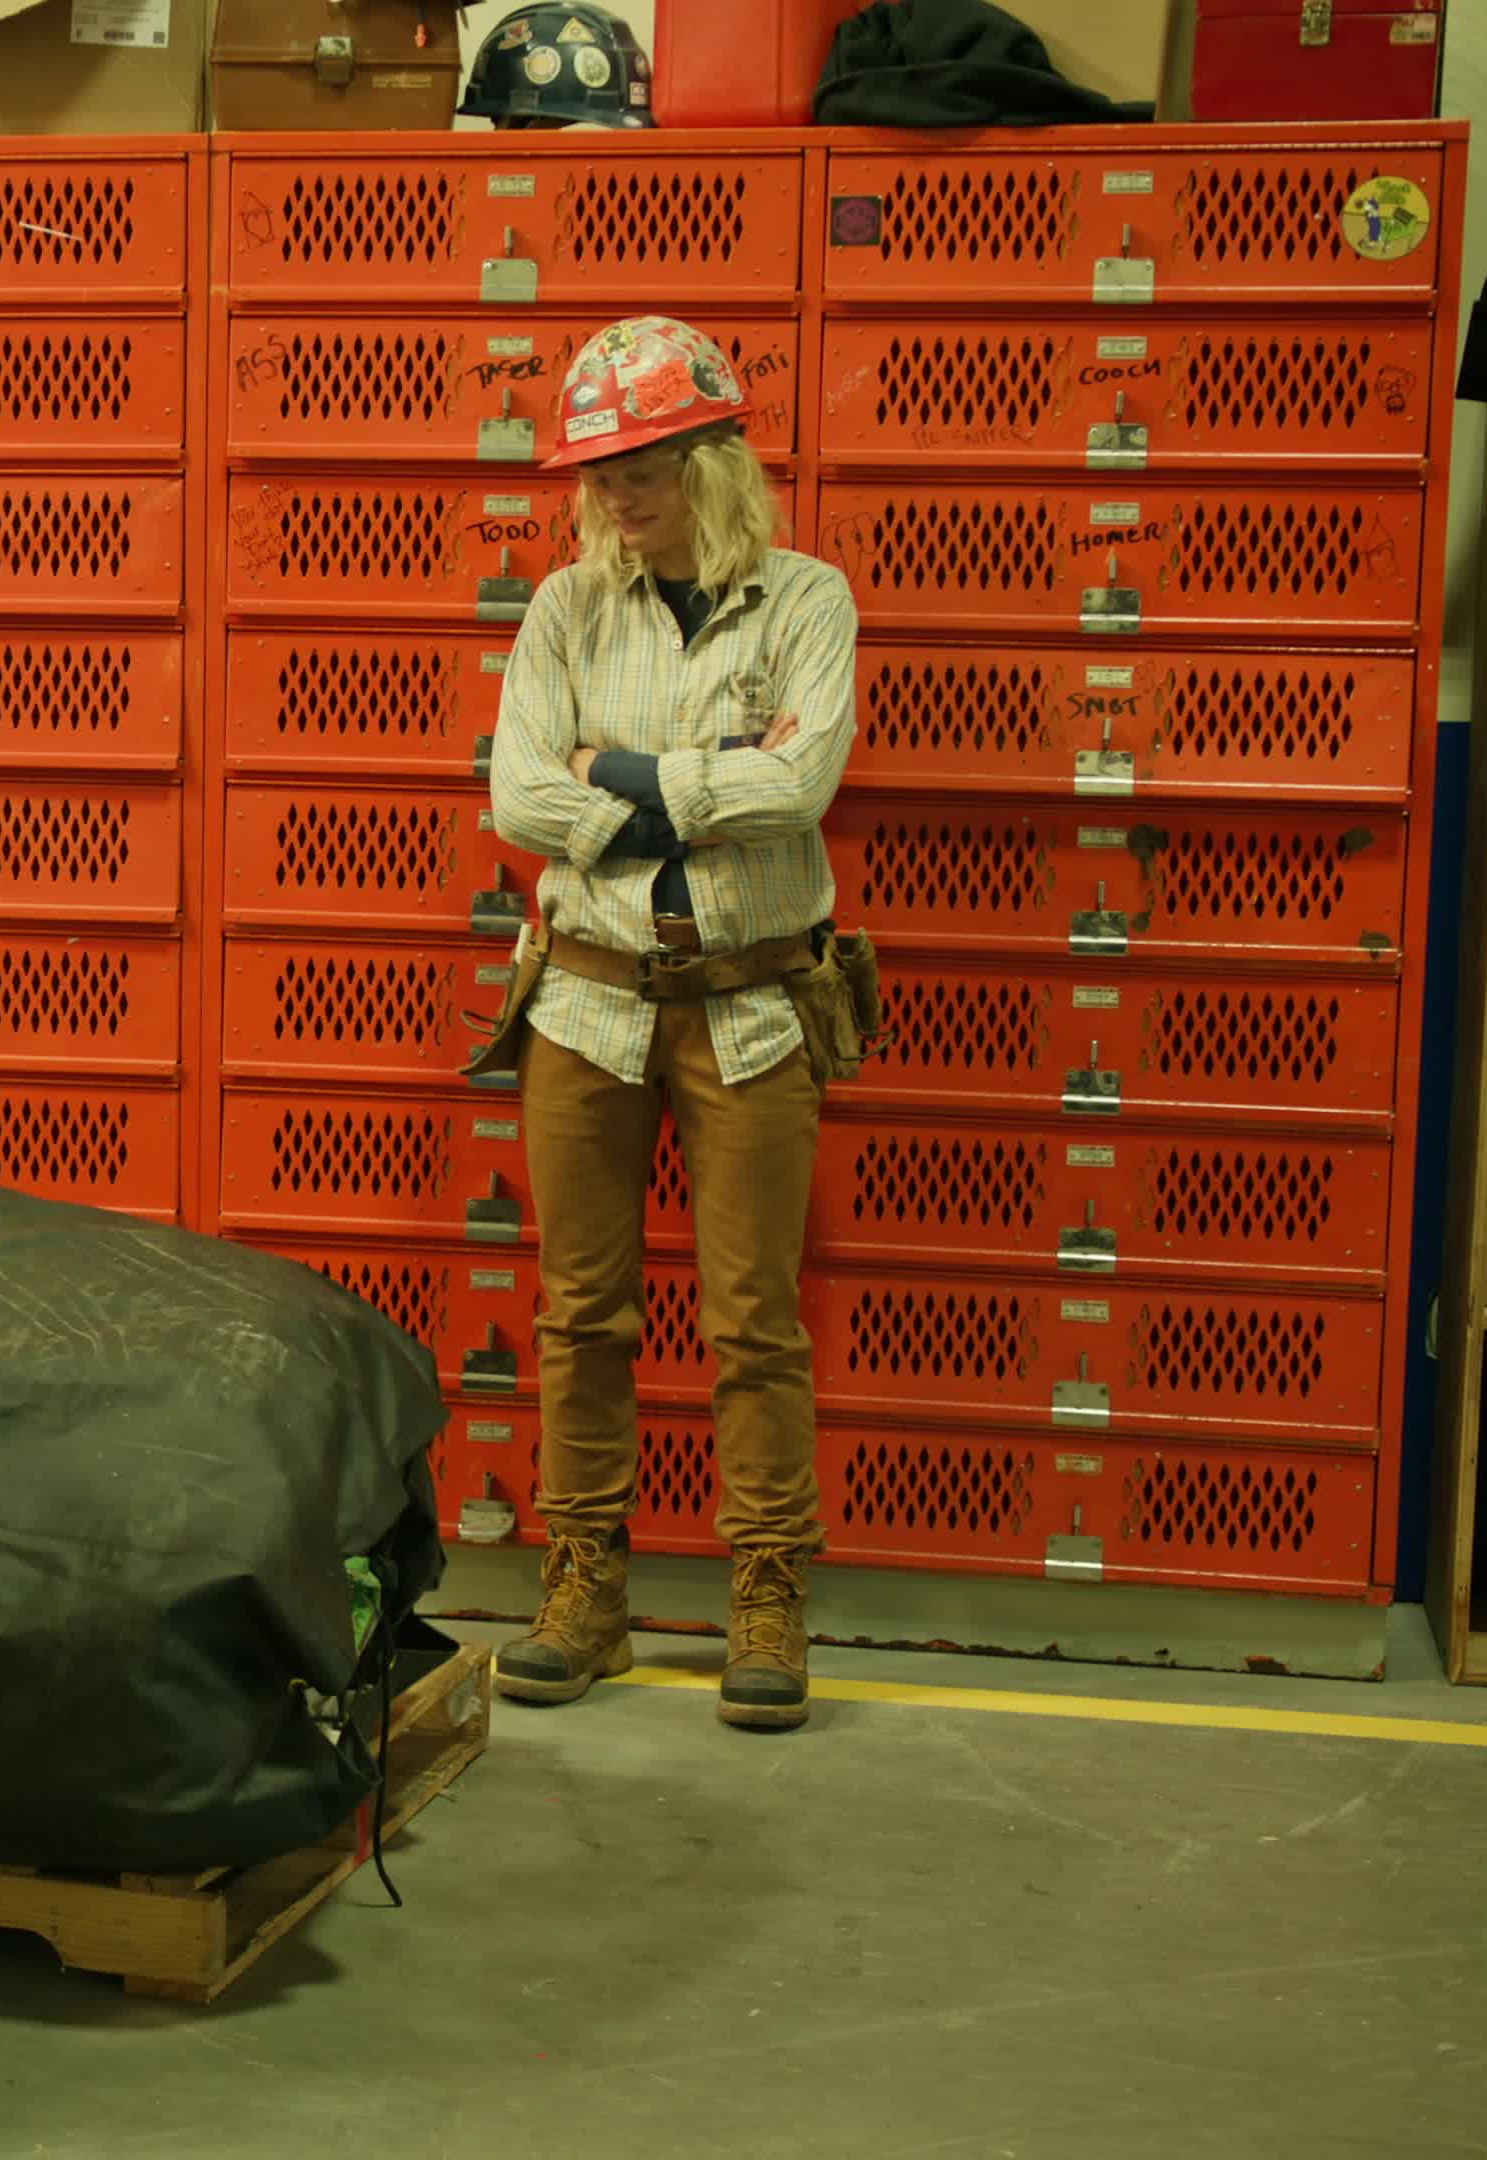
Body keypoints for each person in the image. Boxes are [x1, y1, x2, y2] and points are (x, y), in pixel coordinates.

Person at [480, 316, 859, 1735]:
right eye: (600, 475)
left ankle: (767, 1588)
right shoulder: (567, 609)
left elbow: (802, 787)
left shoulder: (808, 600)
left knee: (754, 1318)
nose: (615, 498)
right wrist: (703, 783)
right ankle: (586, 1585)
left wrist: (618, 774)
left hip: (752, 1006)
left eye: (640, 469)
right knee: (580, 1313)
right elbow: (519, 797)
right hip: (584, 1001)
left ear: (714, 462)